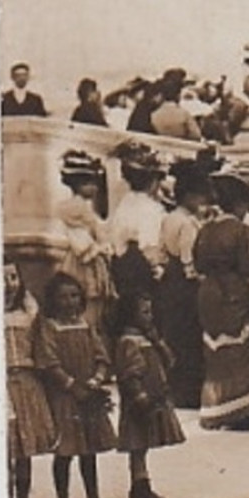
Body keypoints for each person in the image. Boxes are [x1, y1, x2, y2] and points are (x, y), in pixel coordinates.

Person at [33, 273, 118, 498]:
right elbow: (49, 362)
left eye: (74, 296)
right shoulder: (48, 327)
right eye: (63, 297)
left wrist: (95, 381)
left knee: (89, 451)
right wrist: (71, 385)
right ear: (53, 300)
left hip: (88, 394)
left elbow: (101, 356)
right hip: (65, 397)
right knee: (65, 451)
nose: (69, 302)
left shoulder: (86, 325)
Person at [192, 172, 249, 430]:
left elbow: (197, 263)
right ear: (238, 204)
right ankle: (244, 409)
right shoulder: (242, 231)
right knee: (243, 347)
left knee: (217, 349)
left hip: (208, 293)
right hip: (234, 292)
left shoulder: (205, 230)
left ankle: (219, 406)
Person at [112, 291, 181, 498]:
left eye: (150, 312)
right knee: (138, 442)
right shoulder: (128, 341)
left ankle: (139, 483)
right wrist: (139, 395)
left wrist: (157, 340)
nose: (149, 317)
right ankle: (140, 485)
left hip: (154, 395)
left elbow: (169, 360)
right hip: (140, 400)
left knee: (144, 442)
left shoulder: (147, 339)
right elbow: (129, 373)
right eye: (144, 312)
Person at [4, 260, 55, 498]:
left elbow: (41, 350)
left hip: (25, 382)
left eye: (13, 277)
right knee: (2, 448)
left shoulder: (30, 314)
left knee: (24, 450)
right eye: (1, 278)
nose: (8, 285)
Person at [156, 161, 211, 409]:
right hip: (186, 284)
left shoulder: (168, 218)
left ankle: (175, 389)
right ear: (188, 195)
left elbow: (161, 252)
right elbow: (190, 261)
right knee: (190, 337)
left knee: (174, 335)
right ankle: (189, 392)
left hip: (169, 279)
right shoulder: (188, 223)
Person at [55, 150, 116, 334]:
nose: (94, 188)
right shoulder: (75, 208)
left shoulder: (85, 209)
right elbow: (81, 242)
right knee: (86, 301)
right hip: (83, 261)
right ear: (77, 184)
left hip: (92, 258)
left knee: (95, 306)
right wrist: (99, 248)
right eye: (89, 183)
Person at [105, 141, 167, 311]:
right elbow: (149, 247)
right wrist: (159, 271)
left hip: (121, 265)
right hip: (141, 270)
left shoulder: (124, 203)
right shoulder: (151, 208)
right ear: (153, 182)